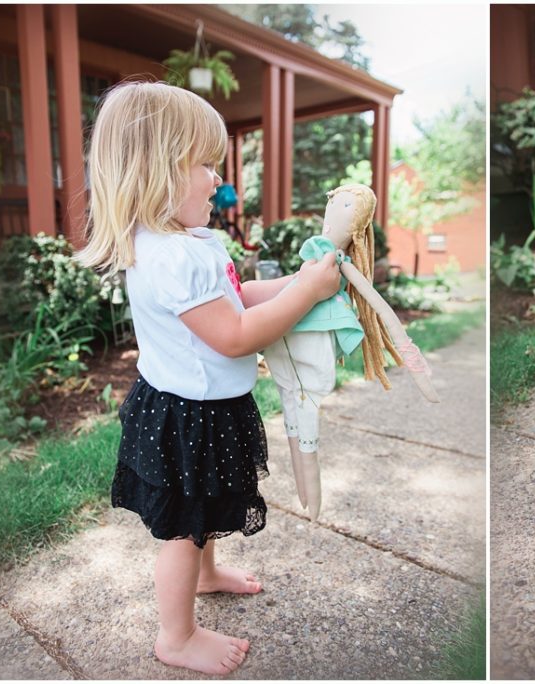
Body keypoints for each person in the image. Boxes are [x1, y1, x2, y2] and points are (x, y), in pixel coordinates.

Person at [75, 81, 341, 674]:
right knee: (182, 528)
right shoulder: (175, 256)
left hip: (199, 405)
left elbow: (236, 298)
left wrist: (301, 280)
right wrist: (306, 294)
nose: (219, 182)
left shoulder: (186, 242)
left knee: (205, 507)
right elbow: (236, 334)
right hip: (187, 414)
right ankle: (176, 636)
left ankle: (209, 574)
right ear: (160, 169)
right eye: (205, 165)